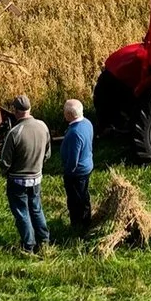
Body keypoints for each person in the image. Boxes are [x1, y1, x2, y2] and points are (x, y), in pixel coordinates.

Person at [0, 94, 51, 253]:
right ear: (29, 108)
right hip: (36, 178)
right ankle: (45, 240)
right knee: (36, 209)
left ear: (15, 111)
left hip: (17, 181)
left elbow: (5, 162)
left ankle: (28, 245)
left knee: (22, 212)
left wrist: (3, 171)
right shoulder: (43, 126)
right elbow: (47, 154)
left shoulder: (14, 132)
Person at [59, 98, 95, 236]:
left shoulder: (74, 133)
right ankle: (86, 219)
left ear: (69, 115)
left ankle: (78, 224)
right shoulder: (87, 123)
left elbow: (73, 159)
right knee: (84, 194)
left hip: (77, 172)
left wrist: (67, 172)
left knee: (75, 199)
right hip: (87, 165)